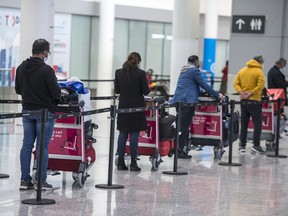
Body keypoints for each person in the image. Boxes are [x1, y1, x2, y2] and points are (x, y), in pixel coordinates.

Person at [15, 38, 61, 190]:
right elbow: (56, 92)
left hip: (27, 111)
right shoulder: (46, 70)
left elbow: (18, 90)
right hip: (44, 113)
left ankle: (24, 180)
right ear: (44, 52)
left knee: (26, 145)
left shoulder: (21, 67)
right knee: (42, 147)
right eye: (48, 51)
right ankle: (41, 181)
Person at [169, 55, 224, 159]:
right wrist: (217, 95)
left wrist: (201, 93)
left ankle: (177, 149)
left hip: (179, 100)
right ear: (197, 62)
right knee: (184, 128)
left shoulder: (184, 69)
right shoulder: (194, 70)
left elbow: (191, 86)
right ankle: (179, 151)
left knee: (181, 127)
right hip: (187, 102)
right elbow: (204, 84)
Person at [115, 52, 150, 171]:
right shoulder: (140, 73)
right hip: (137, 107)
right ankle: (134, 163)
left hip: (123, 106)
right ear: (139, 62)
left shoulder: (118, 72)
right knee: (134, 134)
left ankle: (120, 162)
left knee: (122, 134)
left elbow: (117, 90)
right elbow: (146, 92)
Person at [233, 55, 265, 154]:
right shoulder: (259, 71)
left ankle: (242, 145)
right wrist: (251, 93)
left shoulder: (242, 70)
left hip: (243, 101)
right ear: (260, 62)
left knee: (244, 123)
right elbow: (261, 85)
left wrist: (241, 92)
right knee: (257, 124)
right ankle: (256, 145)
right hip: (255, 101)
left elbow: (235, 83)